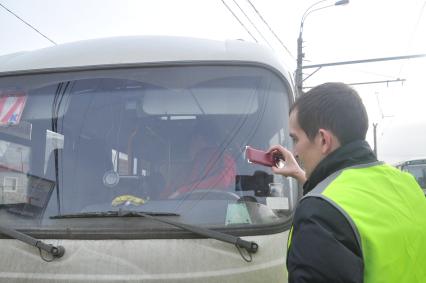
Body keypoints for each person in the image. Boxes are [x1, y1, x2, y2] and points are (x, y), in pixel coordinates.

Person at [268, 82, 426, 283]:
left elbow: (335, 205)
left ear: (323, 140)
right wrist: (301, 175)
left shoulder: (318, 215)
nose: (296, 153)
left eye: (295, 139)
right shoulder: (407, 184)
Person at [166, 123, 236, 199]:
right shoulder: (188, 168)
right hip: (184, 209)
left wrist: (184, 190)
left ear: (199, 139)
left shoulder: (222, 158)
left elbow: (222, 181)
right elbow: (170, 191)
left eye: (191, 141)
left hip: (221, 209)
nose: (189, 146)